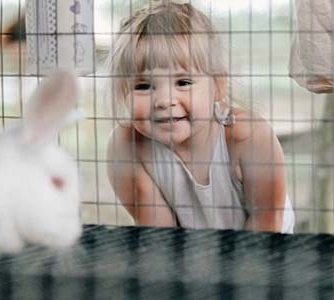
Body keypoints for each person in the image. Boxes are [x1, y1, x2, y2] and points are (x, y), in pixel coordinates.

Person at [106, 1, 295, 233]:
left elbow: (267, 227)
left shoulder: (249, 136)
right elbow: (159, 237)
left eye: (183, 82)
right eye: (144, 86)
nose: (164, 100)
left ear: (218, 85)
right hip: (189, 260)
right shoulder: (127, 146)